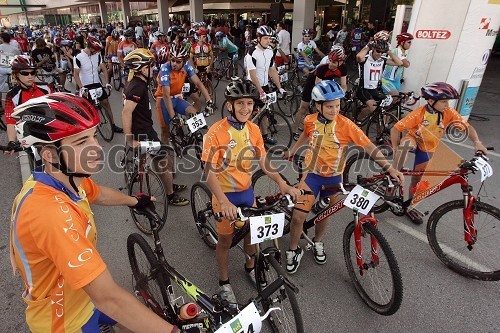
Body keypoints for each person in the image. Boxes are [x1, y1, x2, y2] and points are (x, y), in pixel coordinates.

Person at [9, 93, 184, 333]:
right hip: (63, 322)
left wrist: (134, 201)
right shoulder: (51, 214)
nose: (97, 148)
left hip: (83, 297)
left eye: (93, 137)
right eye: (81, 143)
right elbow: (109, 299)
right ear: (50, 155)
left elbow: (97, 193)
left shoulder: (62, 180)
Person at [283, 80, 404, 274]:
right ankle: (294, 249)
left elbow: (370, 148)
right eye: (330, 106)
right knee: (298, 217)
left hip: (334, 177)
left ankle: (318, 241)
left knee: (326, 214)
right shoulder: (310, 120)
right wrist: (293, 150)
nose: (334, 109)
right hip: (312, 175)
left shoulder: (346, 125)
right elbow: (305, 135)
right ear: (318, 106)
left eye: (337, 105)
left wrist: (390, 168)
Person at [201, 78, 301, 305]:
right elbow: (208, 172)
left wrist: (283, 184)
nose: (246, 108)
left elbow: (263, 161)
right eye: (240, 104)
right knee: (225, 241)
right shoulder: (216, 132)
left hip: (246, 192)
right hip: (224, 197)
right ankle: (224, 282)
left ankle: (250, 266)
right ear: (230, 105)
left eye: (249, 103)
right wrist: (224, 202)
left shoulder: (254, 129)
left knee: (251, 233)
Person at [391, 82, 488, 224]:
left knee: (417, 180)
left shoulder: (448, 113)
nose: (447, 105)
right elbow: (395, 129)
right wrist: (395, 148)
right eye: (443, 101)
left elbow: (466, 127)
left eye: (447, 101)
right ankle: (393, 175)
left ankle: (409, 207)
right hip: (414, 139)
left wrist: (477, 142)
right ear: (431, 100)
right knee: (404, 145)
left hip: (429, 147)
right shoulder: (419, 113)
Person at [122, 48, 190, 207]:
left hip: (144, 129)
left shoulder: (136, 83)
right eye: (150, 66)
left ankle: (168, 185)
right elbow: (126, 113)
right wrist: (130, 139)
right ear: (143, 69)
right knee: (165, 159)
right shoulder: (137, 87)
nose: (153, 69)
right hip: (143, 133)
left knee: (164, 154)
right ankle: (170, 194)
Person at [292, 46, 348, 140]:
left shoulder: (343, 68)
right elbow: (318, 86)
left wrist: (340, 94)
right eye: (330, 60)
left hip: (326, 83)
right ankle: (294, 130)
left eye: (333, 62)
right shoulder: (323, 68)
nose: (330, 63)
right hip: (313, 84)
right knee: (303, 108)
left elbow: (344, 86)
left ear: (340, 62)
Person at [244, 25, 287, 145]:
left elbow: (273, 70)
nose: (269, 41)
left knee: (264, 112)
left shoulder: (269, 52)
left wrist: (280, 88)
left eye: (270, 38)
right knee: (249, 112)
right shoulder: (252, 53)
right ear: (259, 39)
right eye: (266, 38)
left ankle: (264, 136)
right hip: (252, 86)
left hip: (264, 85)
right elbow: (252, 75)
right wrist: (261, 92)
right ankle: (242, 136)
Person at [3, 55, 52, 154]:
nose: (30, 76)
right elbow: (10, 121)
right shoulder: (11, 96)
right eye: (25, 73)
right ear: (16, 75)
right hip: (29, 137)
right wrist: (12, 142)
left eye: (33, 72)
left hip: (50, 132)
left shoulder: (46, 88)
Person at [74, 36, 122, 133]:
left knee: (106, 103)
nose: (97, 52)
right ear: (91, 48)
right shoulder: (78, 56)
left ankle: (113, 125)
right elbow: (76, 74)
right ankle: (90, 129)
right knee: (88, 108)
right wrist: (81, 88)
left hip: (96, 83)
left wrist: (107, 83)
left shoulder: (98, 55)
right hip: (85, 85)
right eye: (95, 50)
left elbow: (104, 69)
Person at [355, 39, 403, 121]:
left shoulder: (382, 60)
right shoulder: (366, 59)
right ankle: (358, 121)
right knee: (373, 107)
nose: (380, 54)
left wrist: (388, 51)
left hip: (374, 89)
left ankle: (382, 129)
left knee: (387, 105)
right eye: (378, 51)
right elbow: (359, 57)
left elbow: (399, 63)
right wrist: (368, 46)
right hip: (363, 89)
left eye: (382, 52)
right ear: (373, 49)